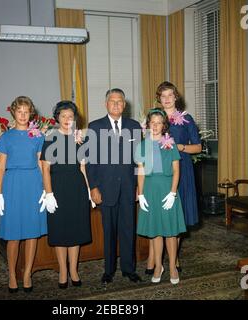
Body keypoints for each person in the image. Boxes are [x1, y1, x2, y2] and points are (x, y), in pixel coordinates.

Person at [86, 88, 142, 284]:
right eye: (112, 101)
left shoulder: (134, 126)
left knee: (128, 230)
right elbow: (90, 160)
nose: (116, 104)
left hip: (128, 187)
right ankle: (108, 270)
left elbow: (138, 160)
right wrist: (93, 187)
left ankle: (129, 269)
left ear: (124, 105)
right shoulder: (95, 127)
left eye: (120, 101)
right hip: (105, 187)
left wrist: (138, 186)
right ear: (106, 104)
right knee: (108, 231)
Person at [0, 96, 47, 293]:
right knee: (13, 234)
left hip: (33, 183)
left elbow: (42, 164)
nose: (23, 115)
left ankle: (27, 274)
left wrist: (46, 190)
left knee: (32, 233)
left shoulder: (38, 136)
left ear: (31, 113)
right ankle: (12, 274)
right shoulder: (6, 137)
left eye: (26, 112)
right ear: (13, 113)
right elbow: (0, 168)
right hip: (13, 184)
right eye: (19, 112)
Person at [40, 100, 92, 289]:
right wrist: (48, 194)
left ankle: (74, 270)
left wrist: (88, 190)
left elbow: (84, 167)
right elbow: (45, 169)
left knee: (76, 230)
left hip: (77, 187)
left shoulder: (80, 139)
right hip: (57, 187)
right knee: (60, 230)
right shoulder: (50, 138)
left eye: (71, 116)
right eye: (63, 116)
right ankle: (63, 270)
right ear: (57, 118)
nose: (67, 119)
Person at [136, 108, 186, 284]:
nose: (155, 126)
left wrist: (173, 192)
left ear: (164, 125)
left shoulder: (170, 144)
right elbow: (140, 172)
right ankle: (158, 266)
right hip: (149, 190)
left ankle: (172, 266)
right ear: (148, 124)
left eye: (159, 122)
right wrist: (140, 194)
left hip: (167, 190)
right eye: (152, 122)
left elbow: (176, 171)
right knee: (155, 231)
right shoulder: (141, 145)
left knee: (171, 232)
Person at [155, 81, 202, 272]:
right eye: (163, 96)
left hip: (181, 171)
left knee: (177, 214)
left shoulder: (186, 119)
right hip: (159, 172)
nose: (166, 99)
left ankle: (174, 257)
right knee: (161, 214)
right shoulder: (154, 117)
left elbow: (198, 147)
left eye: (170, 95)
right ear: (159, 99)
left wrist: (179, 147)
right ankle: (157, 259)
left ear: (176, 97)